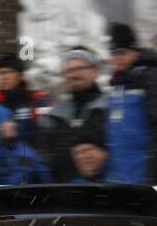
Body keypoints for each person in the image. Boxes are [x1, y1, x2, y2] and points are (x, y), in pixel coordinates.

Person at [105, 22, 157, 185]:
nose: (118, 58)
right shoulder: (118, 84)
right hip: (122, 176)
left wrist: (153, 175)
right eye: (114, 53)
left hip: (147, 174)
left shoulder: (153, 76)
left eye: (122, 52)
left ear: (135, 50)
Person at [39, 46, 108, 181]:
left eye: (79, 69)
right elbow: (45, 159)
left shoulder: (110, 109)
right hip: (64, 194)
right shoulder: (54, 115)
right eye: (68, 70)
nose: (73, 75)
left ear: (95, 71)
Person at [0, 104, 51, 185]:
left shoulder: (20, 147)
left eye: (12, 120)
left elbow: (44, 175)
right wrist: (24, 170)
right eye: (7, 120)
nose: (14, 124)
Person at [0, 52, 52, 146]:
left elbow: (48, 134)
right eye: (0, 73)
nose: (4, 77)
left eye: (9, 72)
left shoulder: (37, 99)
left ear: (20, 75)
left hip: (31, 155)